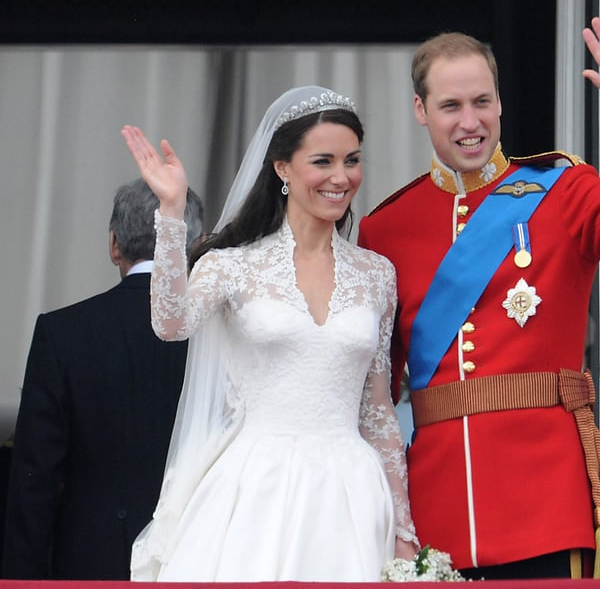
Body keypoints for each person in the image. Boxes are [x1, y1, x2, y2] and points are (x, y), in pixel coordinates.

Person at [357, 18, 600, 580]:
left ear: (500, 102)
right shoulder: (386, 228)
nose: (471, 122)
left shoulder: (560, 192)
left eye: (482, 102)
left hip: (544, 506)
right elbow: (373, 386)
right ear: (420, 111)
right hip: (437, 514)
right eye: (450, 106)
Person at [119, 85, 419, 582]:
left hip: (352, 494)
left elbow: (377, 409)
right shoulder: (231, 265)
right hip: (255, 488)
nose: (341, 177)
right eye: (322, 161)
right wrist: (170, 213)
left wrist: (404, 530)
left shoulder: (377, 274)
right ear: (283, 168)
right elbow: (171, 324)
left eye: (352, 160)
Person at [2, 178, 204, 579]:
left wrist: (19, 578)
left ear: (114, 245)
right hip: (197, 554)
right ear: (193, 247)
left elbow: (35, 479)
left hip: (92, 563)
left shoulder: (63, 333)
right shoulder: (219, 334)